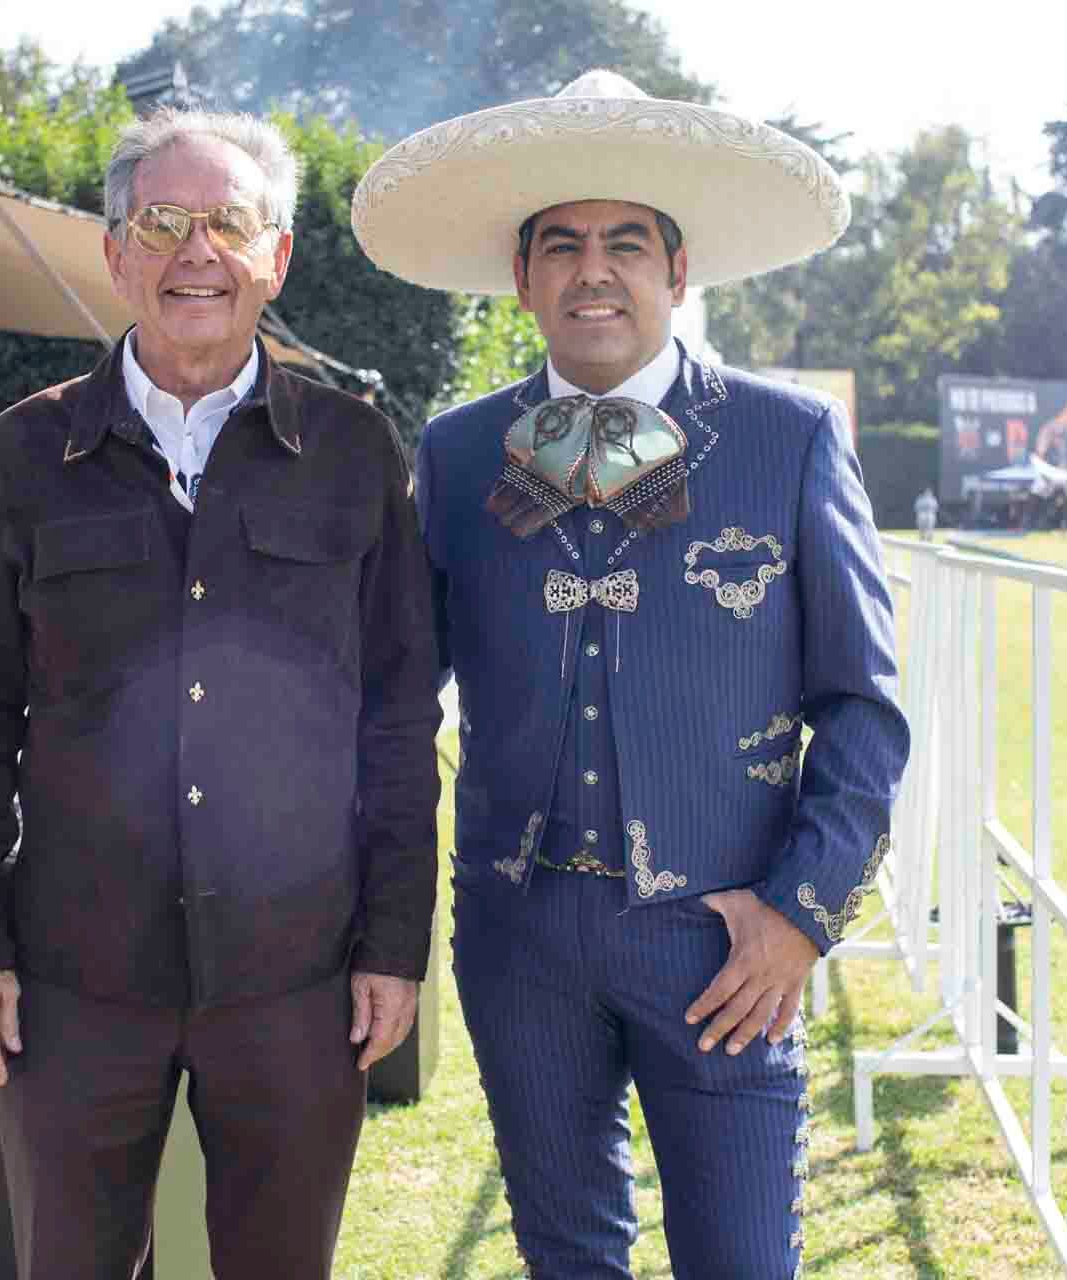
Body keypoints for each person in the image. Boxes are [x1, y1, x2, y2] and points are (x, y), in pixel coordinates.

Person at [354, 71, 910, 1278]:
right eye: (560, 245)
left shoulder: (789, 437)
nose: (590, 270)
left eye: (622, 244)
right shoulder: (455, 454)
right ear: (522, 278)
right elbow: (392, 705)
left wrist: (801, 916)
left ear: (677, 270)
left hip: (725, 939)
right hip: (519, 934)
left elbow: (864, 708)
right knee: (567, 1257)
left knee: (744, 1259)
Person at [0, 108, 442, 1280]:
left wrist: (396, 939)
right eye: (160, 221)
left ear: (278, 257)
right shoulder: (25, 453)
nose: (193, 251)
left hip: (297, 979)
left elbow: (402, 721)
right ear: (115, 253)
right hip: (73, 981)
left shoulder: (356, 453)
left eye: (228, 222)